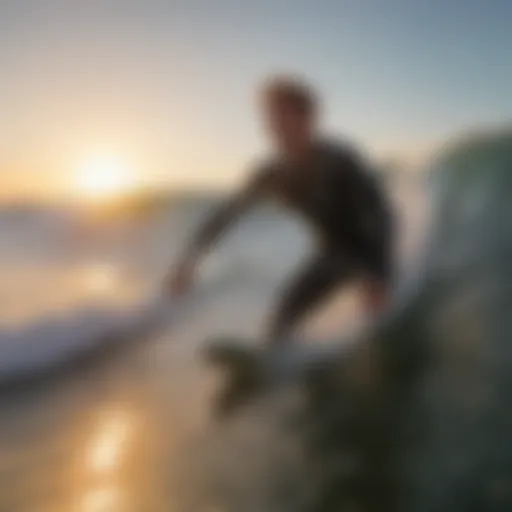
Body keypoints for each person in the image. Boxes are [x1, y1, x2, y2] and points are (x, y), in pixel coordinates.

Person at [165, 75, 394, 344]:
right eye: (270, 118)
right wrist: (189, 259)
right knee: (280, 322)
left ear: (308, 118)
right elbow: (227, 214)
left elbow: (377, 214)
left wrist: (377, 274)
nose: (275, 126)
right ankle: (275, 359)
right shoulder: (271, 174)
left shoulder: (339, 160)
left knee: (369, 297)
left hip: (366, 247)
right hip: (330, 253)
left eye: (284, 116)